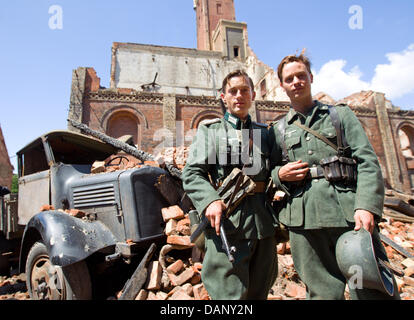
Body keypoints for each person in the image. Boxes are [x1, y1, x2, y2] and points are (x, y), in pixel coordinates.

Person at [269, 52, 400, 300]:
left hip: (349, 214)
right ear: (282, 86)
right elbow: (267, 172)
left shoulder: (339, 115)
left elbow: (367, 162)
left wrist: (366, 206)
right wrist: (279, 174)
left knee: (371, 287)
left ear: (311, 77)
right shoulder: (278, 130)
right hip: (303, 222)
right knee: (321, 292)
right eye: (289, 78)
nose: (296, 81)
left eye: (301, 75)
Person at [182, 70, 278, 300]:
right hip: (227, 224)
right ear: (223, 97)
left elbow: (275, 172)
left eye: (244, 90)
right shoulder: (211, 130)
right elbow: (192, 173)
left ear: (253, 95)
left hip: (263, 228)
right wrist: (210, 201)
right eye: (233, 91)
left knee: (259, 293)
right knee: (229, 297)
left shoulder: (265, 134)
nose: (239, 96)